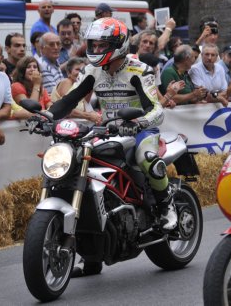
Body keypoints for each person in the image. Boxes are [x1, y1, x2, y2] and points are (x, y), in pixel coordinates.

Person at [49, 18, 178, 234]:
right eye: (94, 45)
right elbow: (69, 99)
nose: (97, 49)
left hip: (140, 129)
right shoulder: (92, 71)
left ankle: (166, 207)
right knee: (78, 160)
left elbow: (156, 110)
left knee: (146, 158)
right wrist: (45, 116)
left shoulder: (139, 70)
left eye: (102, 45)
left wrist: (137, 122)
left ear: (119, 45)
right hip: (106, 130)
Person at [51, 57, 101, 124]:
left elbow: (86, 104)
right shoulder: (67, 82)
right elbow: (66, 108)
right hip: (61, 126)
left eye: (83, 69)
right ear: (69, 73)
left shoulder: (81, 87)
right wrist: (89, 116)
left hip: (79, 125)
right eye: (77, 69)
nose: (81, 72)